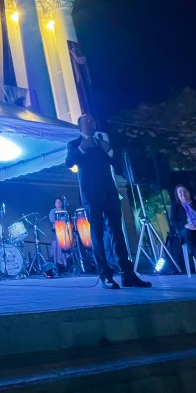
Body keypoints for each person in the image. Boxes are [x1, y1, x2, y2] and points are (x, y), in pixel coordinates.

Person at [65, 115, 151, 289]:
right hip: (91, 195)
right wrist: (82, 148)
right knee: (96, 234)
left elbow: (116, 162)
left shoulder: (101, 142)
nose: (91, 123)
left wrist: (109, 150)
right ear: (80, 126)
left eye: (93, 121)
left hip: (110, 193)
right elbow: (69, 162)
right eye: (87, 121)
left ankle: (128, 274)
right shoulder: (74, 144)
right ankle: (105, 275)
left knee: (117, 233)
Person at [48, 197, 69, 268]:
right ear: (55, 204)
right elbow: (52, 220)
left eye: (60, 202)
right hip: (57, 230)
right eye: (57, 202)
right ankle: (58, 262)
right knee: (57, 245)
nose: (59, 203)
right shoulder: (53, 211)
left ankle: (66, 262)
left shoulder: (65, 211)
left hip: (65, 231)